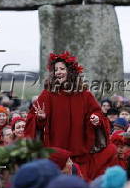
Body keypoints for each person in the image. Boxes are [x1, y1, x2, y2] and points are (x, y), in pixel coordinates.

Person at [24, 51, 115, 181]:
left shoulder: (85, 94)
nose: (58, 72)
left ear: (71, 71)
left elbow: (97, 113)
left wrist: (96, 118)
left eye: (62, 69)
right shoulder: (48, 94)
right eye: (56, 70)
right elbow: (33, 120)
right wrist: (41, 118)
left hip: (80, 154)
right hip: (57, 157)